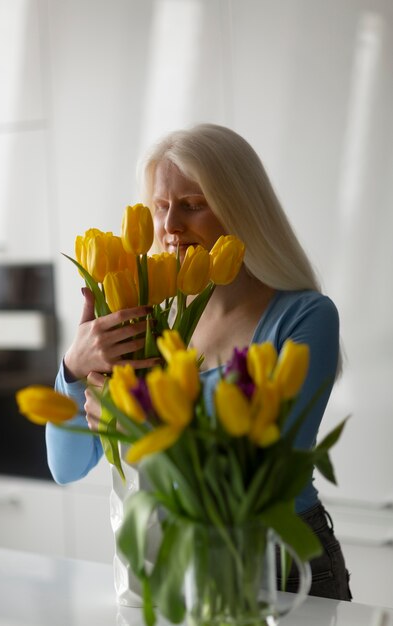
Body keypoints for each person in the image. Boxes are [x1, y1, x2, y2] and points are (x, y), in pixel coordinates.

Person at [46, 123, 352, 602]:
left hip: (279, 564)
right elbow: (66, 466)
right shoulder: (153, 318)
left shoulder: (305, 316)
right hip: (179, 556)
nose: (169, 227)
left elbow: (262, 462)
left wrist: (139, 420)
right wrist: (73, 367)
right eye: (161, 207)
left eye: (192, 205)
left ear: (242, 210)